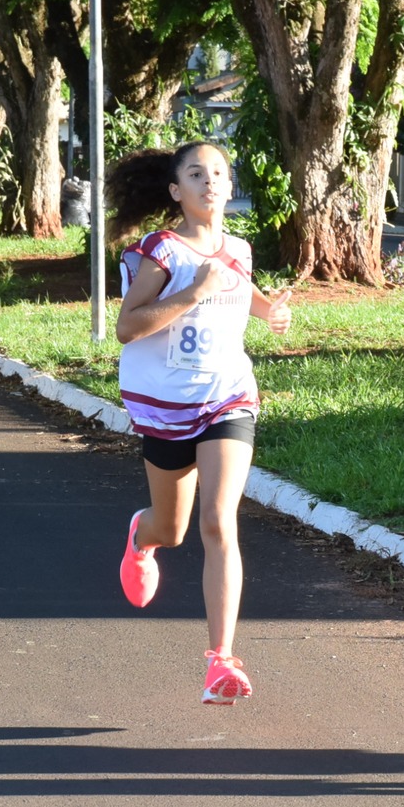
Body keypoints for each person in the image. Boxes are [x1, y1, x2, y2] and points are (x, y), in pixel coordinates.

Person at [108, 141, 292, 705]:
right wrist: (194, 292)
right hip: (165, 407)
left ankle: (221, 661)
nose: (209, 182)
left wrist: (271, 310)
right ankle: (142, 537)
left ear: (229, 188)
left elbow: (241, 287)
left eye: (218, 173)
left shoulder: (237, 248)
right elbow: (127, 327)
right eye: (195, 173)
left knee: (218, 521)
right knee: (175, 529)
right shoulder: (161, 251)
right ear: (176, 191)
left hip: (227, 396)